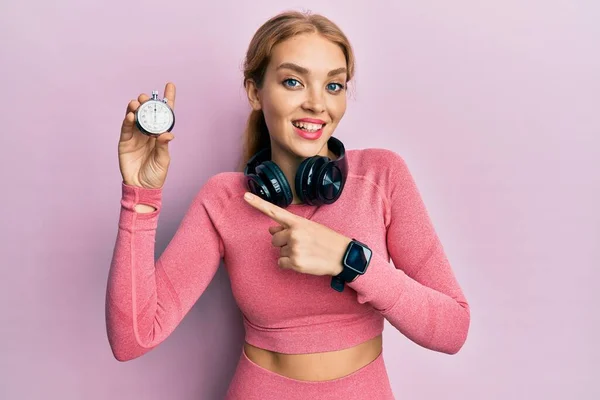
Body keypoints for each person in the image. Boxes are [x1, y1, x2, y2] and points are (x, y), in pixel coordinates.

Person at [106, 10, 470, 400]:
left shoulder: (382, 176)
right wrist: (140, 197)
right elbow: (133, 339)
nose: (317, 104)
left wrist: (350, 259)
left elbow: (452, 329)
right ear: (254, 91)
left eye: (334, 86)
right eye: (293, 82)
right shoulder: (224, 199)